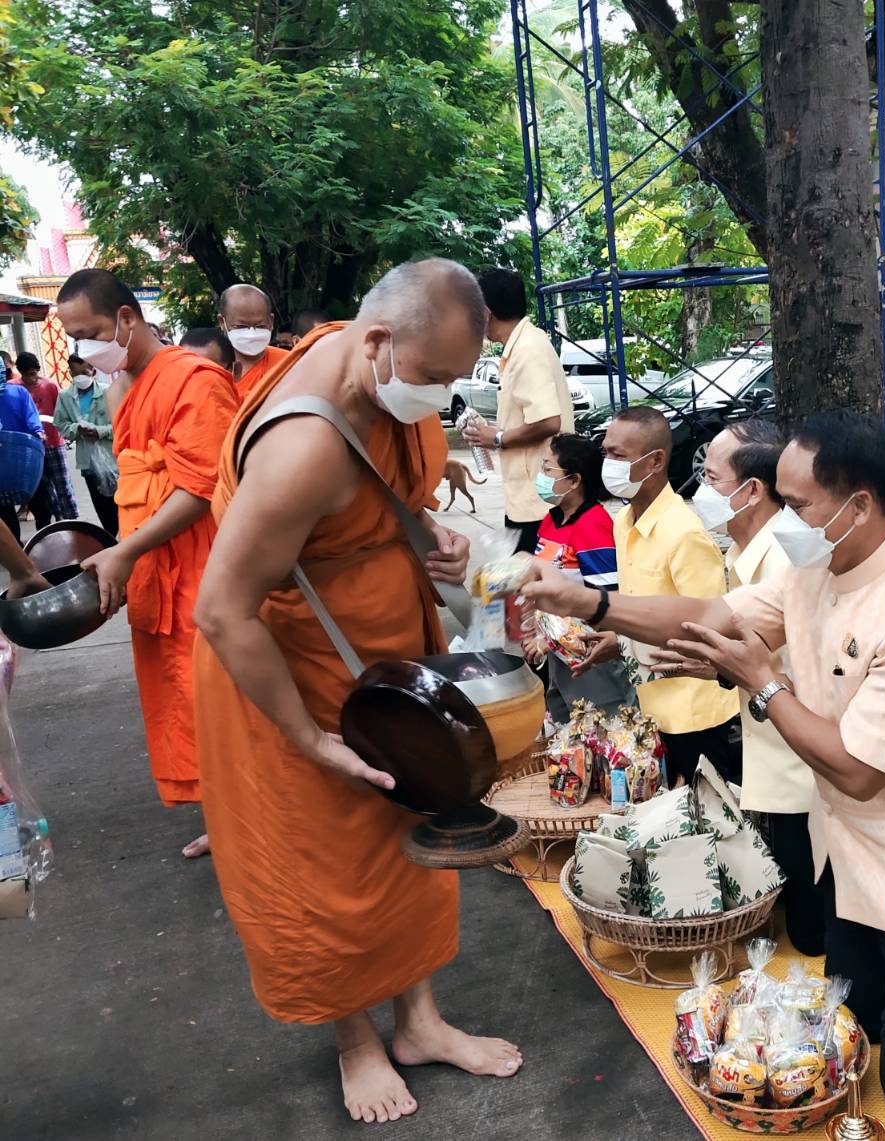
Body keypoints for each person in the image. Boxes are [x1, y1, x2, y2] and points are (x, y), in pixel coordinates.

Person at [524, 410, 885, 1116]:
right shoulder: (814, 563)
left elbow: (859, 770)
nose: (781, 516)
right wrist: (590, 602)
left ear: (858, 506)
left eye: (795, 502)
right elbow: (712, 614)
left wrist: (761, 683)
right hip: (853, 856)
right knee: (858, 1023)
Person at [191, 259, 521, 1125]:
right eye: (440, 378)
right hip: (288, 673)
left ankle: (419, 1020)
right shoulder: (303, 446)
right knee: (321, 862)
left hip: (385, 660)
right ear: (377, 343)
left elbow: (380, 509)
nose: (447, 398)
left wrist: (432, 542)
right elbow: (223, 611)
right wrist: (307, 738)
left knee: (411, 824)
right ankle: (357, 1040)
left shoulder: (373, 367)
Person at [56, 268, 239, 860]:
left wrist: (126, 549)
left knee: (221, 699)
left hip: (203, 567)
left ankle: (254, 818)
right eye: (73, 338)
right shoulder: (126, 385)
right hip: (153, 569)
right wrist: (123, 554)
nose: (82, 349)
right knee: (182, 700)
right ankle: (226, 814)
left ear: (127, 320)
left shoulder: (195, 379)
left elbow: (199, 484)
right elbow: (137, 480)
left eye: (89, 333)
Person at [655, 419, 825, 954]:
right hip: (770, 756)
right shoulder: (739, 552)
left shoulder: (784, 560)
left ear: (752, 490)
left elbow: (803, 673)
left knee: (812, 931)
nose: (699, 489)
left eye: (709, 476)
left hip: (804, 767)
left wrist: (732, 670)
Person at [580, 405, 741, 787]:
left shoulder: (683, 533)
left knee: (710, 823)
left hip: (695, 711)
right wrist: (619, 640)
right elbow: (643, 607)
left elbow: (709, 627)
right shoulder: (623, 522)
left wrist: (630, 642)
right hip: (651, 703)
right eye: (606, 453)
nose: (608, 463)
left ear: (654, 461)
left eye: (618, 455)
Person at [460, 268, 572, 554]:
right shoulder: (521, 345)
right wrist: (492, 430)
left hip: (538, 500)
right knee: (525, 583)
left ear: (485, 313)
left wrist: (496, 438)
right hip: (529, 496)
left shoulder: (527, 350)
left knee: (532, 583)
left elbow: (548, 421)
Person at [531, 432, 633, 718]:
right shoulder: (550, 520)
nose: (542, 476)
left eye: (549, 470)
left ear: (574, 480)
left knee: (604, 732)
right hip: (560, 653)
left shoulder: (593, 526)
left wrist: (553, 637)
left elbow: (606, 602)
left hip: (591, 656)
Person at [53, 354, 120, 535]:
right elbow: (60, 424)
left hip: (113, 460)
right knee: (102, 508)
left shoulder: (109, 392)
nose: (79, 377)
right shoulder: (65, 396)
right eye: (75, 374)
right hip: (88, 463)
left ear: (93, 371)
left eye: (84, 372)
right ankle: (111, 540)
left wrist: (100, 431)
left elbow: (122, 425)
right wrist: (77, 429)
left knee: (121, 504)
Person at [12, 352, 79, 530]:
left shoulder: (50, 386)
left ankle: (73, 523)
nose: (30, 379)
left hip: (53, 443)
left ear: (38, 370)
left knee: (63, 484)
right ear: (20, 372)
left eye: (33, 374)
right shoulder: (15, 388)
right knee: (42, 490)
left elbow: (62, 412)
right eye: (26, 375)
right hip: (30, 448)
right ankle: (56, 525)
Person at [218, 283, 288, 399]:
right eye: (240, 326)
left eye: (260, 326)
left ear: (270, 321)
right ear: (222, 322)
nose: (251, 333)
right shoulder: (212, 365)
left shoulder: (288, 363)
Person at [0, 373, 44, 540]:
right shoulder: (19, 392)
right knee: (30, 497)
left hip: (22, 456)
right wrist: (37, 431)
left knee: (9, 507)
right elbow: (32, 418)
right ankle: (20, 544)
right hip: (24, 457)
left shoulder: (18, 393)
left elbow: (32, 419)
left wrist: (38, 431)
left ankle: (37, 540)